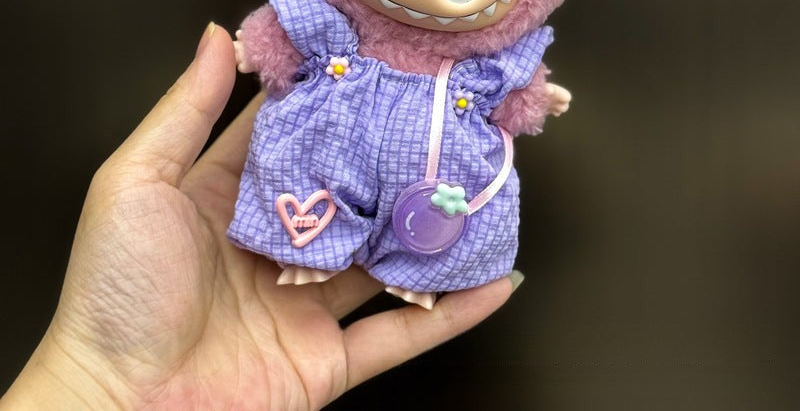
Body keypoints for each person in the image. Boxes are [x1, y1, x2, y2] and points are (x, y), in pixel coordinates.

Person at [1, 24, 522, 410]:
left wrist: (92, 384)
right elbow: (283, 36)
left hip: (432, 176)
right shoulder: (328, 31)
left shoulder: (479, 72)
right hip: (327, 132)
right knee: (305, 176)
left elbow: (518, 94)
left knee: (430, 224)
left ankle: (412, 272)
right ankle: (308, 250)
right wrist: (98, 377)